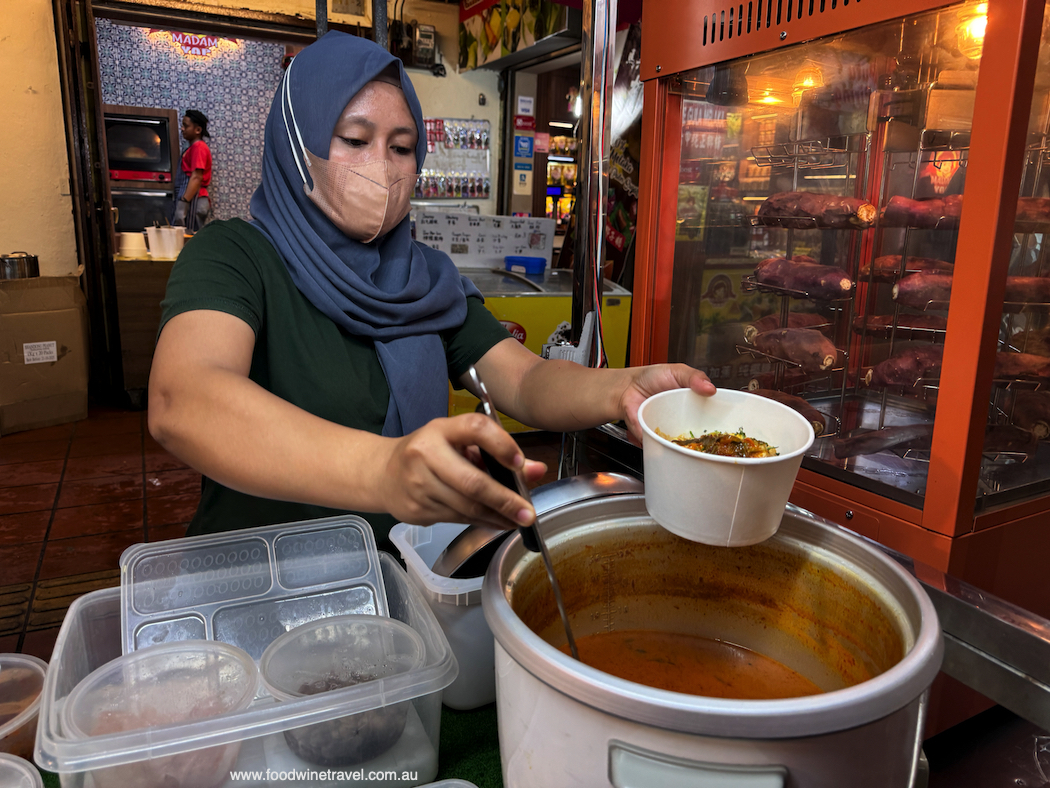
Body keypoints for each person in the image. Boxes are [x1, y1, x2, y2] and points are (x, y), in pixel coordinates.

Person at [147, 32, 714, 553]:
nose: (383, 168)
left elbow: (525, 379)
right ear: (296, 147)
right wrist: (384, 469)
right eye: (353, 140)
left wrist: (623, 390)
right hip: (258, 585)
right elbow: (184, 399)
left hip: (395, 584)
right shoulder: (234, 256)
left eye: (401, 147)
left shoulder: (424, 278)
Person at [172, 109, 213, 231]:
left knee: (188, 239)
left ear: (198, 130)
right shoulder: (192, 148)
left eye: (186, 126)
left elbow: (196, 177)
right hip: (192, 200)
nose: (182, 129)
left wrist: (183, 202)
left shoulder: (198, 147)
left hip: (194, 201)